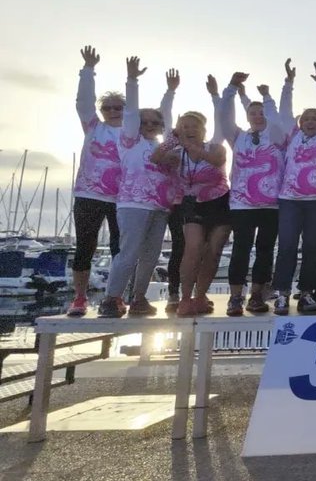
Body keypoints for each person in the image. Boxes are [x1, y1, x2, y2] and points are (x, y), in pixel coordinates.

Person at [68, 47, 173, 317]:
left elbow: (163, 119)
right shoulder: (102, 129)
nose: (113, 111)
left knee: (132, 252)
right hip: (98, 196)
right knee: (89, 248)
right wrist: (90, 70)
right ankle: (84, 298)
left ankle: (130, 298)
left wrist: (169, 93)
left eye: (120, 107)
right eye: (108, 107)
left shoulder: (150, 140)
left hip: (136, 201)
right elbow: (83, 103)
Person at [97, 59, 178, 317]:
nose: (151, 125)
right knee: (128, 253)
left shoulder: (162, 147)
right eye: (146, 122)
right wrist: (132, 80)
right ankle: (111, 298)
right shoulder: (129, 140)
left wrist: (170, 92)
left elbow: (165, 116)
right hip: (133, 205)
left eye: (155, 123)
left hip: (159, 207)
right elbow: (131, 113)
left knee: (151, 256)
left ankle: (139, 298)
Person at [219, 73, 286, 315]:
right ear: (246, 116)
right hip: (241, 205)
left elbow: (277, 121)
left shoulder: (277, 136)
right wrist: (231, 88)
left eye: (262, 113)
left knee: (266, 250)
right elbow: (223, 117)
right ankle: (235, 297)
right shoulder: (238, 136)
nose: (258, 116)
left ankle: (257, 294)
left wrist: (268, 99)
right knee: (241, 249)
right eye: (252, 113)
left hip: (271, 206)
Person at [271, 60, 316, 314]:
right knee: (286, 247)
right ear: (300, 123)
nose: (310, 121)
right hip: (289, 201)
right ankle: (281, 294)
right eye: (306, 118)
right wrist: (288, 83)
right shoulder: (292, 136)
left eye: (315, 118)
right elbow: (284, 110)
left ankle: (307, 293)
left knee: (313, 248)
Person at [172, 79, 231, 317]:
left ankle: (200, 295)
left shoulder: (216, 147)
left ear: (204, 130)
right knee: (194, 247)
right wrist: (173, 140)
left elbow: (216, 162)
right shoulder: (176, 154)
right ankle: (185, 298)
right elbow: (156, 159)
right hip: (192, 204)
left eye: (194, 126)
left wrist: (217, 96)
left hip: (220, 201)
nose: (189, 130)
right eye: (184, 126)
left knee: (214, 250)